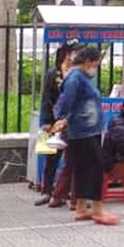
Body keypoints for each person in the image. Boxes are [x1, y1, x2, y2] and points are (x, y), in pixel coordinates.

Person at [53, 45, 118, 226]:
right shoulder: (75, 78)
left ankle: (81, 207)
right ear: (88, 62)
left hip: (88, 129)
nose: (96, 67)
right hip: (84, 131)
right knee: (96, 167)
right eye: (96, 64)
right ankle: (98, 210)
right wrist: (62, 118)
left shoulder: (82, 77)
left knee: (82, 168)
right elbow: (66, 101)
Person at [36, 43, 77, 207]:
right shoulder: (53, 74)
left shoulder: (77, 73)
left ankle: (64, 193)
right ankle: (46, 190)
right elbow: (46, 97)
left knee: (71, 159)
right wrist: (46, 121)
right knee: (51, 157)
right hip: (54, 120)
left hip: (71, 121)